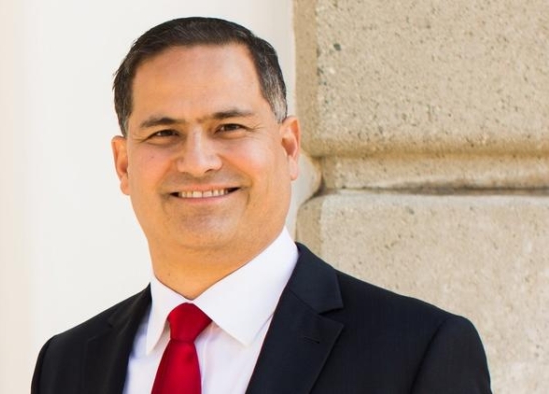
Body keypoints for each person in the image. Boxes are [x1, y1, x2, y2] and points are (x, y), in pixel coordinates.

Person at [31, 17, 492, 394]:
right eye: (163, 133)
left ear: (289, 147)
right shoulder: (67, 364)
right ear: (124, 164)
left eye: (229, 127)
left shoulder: (417, 351)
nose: (197, 162)